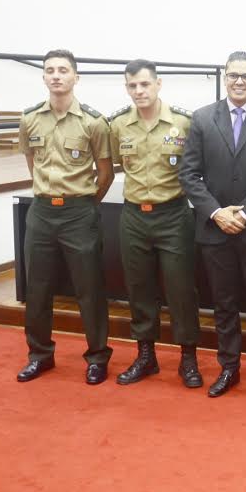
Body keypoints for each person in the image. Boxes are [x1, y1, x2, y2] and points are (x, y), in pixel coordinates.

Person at [179, 51, 246, 399]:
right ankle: (229, 369)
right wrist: (216, 213)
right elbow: (189, 174)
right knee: (223, 303)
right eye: (233, 75)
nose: (239, 81)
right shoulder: (202, 118)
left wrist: (243, 214)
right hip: (214, 229)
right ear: (225, 78)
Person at [15, 49, 114, 385]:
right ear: (43, 77)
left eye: (63, 70)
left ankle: (97, 357)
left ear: (76, 77)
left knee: (90, 288)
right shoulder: (29, 119)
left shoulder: (94, 122)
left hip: (78, 213)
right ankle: (39, 355)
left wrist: (86, 204)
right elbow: (32, 163)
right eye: (50, 70)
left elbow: (105, 173)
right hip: (41, 212)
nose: (56, 76)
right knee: (37, 289)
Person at [108, 60, 203, 389]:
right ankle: (145, 356)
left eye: (145, 84)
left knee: (180, 291)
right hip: (134, 215)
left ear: (158, 84)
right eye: (132, 86)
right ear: (127, 88)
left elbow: (196, 168)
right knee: (138, 289)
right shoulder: (118, 124)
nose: (139, 91)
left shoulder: (184, 122)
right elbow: (117, 164)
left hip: (173, 214)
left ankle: (188, 359)